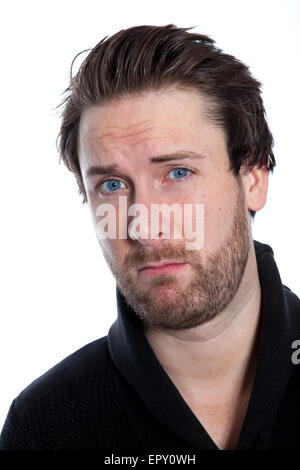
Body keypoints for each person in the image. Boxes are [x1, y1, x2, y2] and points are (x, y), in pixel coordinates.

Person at [0, 24, 299, 452]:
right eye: (112, 186)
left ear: (253, 177)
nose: (143, 226)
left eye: (177, 173)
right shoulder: (43, 427)